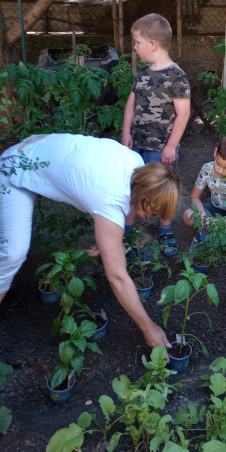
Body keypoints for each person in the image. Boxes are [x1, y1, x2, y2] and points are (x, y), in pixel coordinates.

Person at [0, 133, 182, 349]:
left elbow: (129, 207)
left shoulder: (136, 164)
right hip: (15, 169)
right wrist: (148, 327)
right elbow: (116, 276)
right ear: (144, 196)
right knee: (14, 252)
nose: (154, 215)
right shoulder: (108, 198)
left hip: (36, 143)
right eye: (154, 210)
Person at [121, 13, 191, 257]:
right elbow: (131, 104)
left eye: (137, 42)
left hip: (161, 148)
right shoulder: (142, 73)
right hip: (137, 145)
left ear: (153, 44)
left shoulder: (177, 76)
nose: (135, 48)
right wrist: (125, 133)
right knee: (131, 188)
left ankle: (165, 230)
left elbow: (183, 115)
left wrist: (171, 146)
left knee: (161, 193)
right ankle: (127, 234)